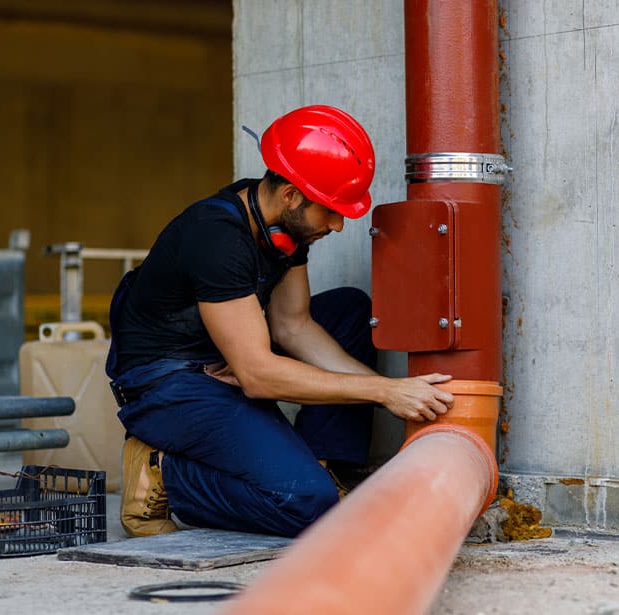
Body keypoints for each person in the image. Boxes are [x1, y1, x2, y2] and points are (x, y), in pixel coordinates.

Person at [106, 105, 454, 539]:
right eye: (329, 210)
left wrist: (394, 396)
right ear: (290, 194)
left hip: (224, 353)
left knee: (348, 309)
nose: (339, 224)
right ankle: (166, 474)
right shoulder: (215, 237)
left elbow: (294, 326)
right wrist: (384, 390)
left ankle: (317, 465)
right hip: (167, 383)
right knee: (306, 505)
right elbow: (257, 376)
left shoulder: (283, 230)